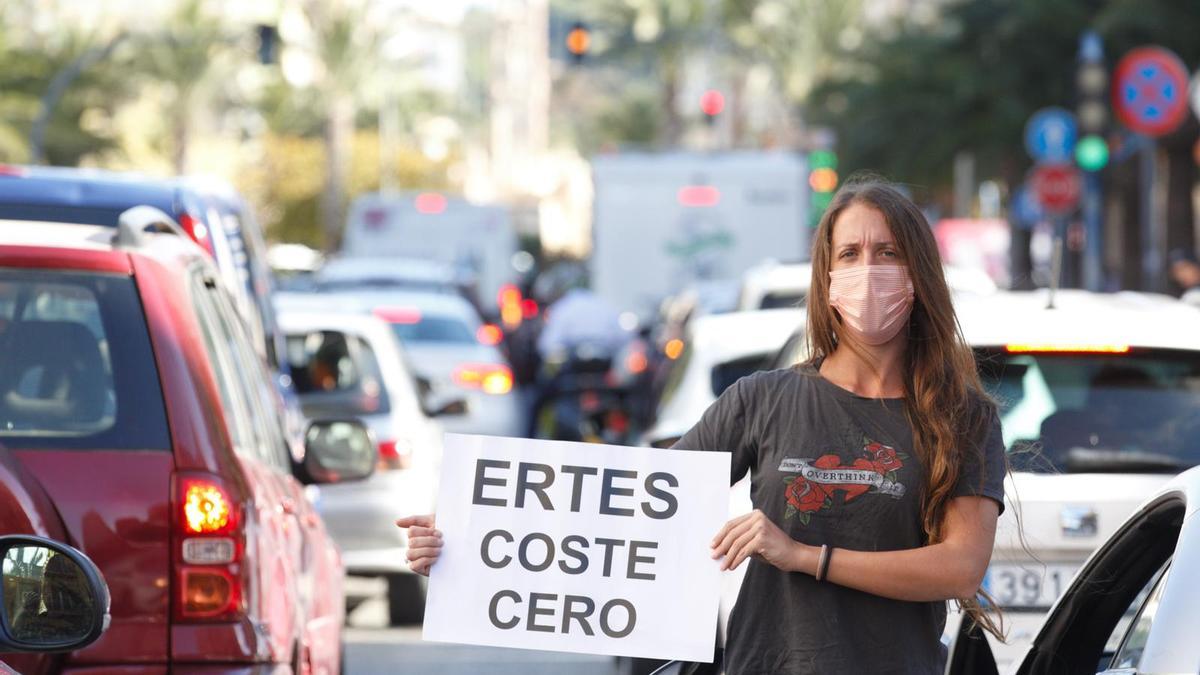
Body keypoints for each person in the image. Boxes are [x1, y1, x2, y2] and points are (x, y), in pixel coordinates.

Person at [397, 179, 1008, 674]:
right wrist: (469, 541)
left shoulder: (961, 417)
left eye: (887, 253)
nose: (867, 271)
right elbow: (629, 509)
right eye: (849, 254)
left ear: (919, 274)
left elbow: (958, 568)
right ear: (825, 281)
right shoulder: (762, 401)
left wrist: (803, 555)